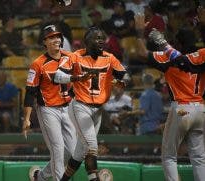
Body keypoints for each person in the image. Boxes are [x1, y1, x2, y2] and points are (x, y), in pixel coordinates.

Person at [134, 14, 205, 181]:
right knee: (199, 158)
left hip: (181, 108)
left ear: (178, 43)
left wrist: (138, 32)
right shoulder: (202, 55)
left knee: (168, 156)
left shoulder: (168, 58)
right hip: (201, 109)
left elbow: (141, 53)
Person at [54, 26, 126, 181]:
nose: (101, 41)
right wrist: (76, 78)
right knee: (92, 147)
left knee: (80, 152)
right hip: (80, 106)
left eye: (102, 38)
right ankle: (93, 179)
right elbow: (57, 76)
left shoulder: (109, 57)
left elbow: (124, 75)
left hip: (98, 110)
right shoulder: (75, 56)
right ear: (87, 41)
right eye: (97, 38)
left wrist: (121, 82)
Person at [22, 25, 90, 181]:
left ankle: (40, 176)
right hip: (48, 110)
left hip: (68, 108)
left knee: (73, 153)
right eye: (52, 37)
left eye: (58, 36)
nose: (56, 40)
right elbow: (30, 92)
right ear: (44, 42)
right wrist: (26, 118)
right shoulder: (38, 64)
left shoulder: (70, 57)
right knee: (57, 150)